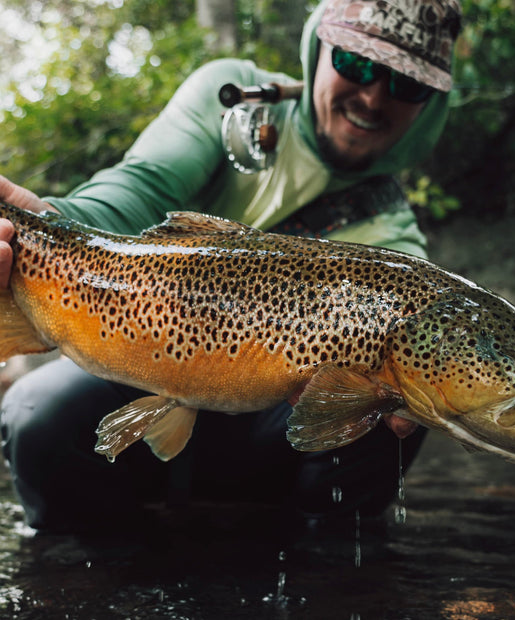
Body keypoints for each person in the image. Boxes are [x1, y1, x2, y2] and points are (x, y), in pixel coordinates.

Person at [0, 0, 462, 533]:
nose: (373, 96)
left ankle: (324, 577)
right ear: (318, 48)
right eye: (358, 64)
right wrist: (52, 223)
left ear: (431, 105)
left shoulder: (396, 241)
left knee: (396, 399)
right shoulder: (234, 99)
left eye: (407, 85)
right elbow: (138, 187)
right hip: (141, 359)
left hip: (266, 436)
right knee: (37, 411)